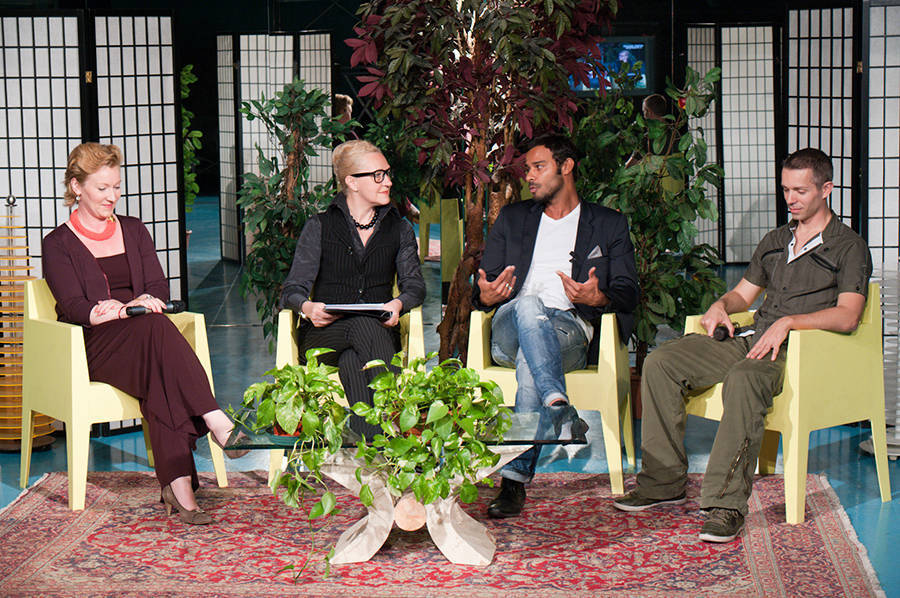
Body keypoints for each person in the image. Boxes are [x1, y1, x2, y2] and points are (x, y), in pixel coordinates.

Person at [613, 148, 872, 543]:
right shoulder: (775, 240)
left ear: (827, 189)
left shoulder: (848, 246)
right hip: (754, 336)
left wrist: (789, 323)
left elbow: (848, 315)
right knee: (662, 362)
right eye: (786, 190)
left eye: (800, 191)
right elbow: (743, 295)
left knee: (745, 378)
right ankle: (662, 481)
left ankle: (726, 505)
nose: (791, 199)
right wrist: (720, 305)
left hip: (802, 350)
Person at [42, 142, 247, 525]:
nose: (112, 196)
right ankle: (216, 419)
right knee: (155, 330)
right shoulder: (57, 244)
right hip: (95, 345)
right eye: (102, 188)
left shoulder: (134, 229)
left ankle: (179, 489)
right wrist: (114, 311)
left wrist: (142, 301)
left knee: (159, 374)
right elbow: (72, 306)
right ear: (76, 187)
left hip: (145, 339)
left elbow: (157, 287)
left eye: (116, 187)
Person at [474, 133, 640, 518]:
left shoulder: (608, 224)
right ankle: (555, 406)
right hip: (510, 326)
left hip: (569, 330)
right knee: (528, 304)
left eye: (538, 167)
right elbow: (484, 284)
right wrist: (486, 294)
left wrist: (597, 298)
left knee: (530, 361)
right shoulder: (513, 219)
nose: (529, 176)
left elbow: (628, 291)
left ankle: (517, 475)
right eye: (527, 169)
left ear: (566, 167)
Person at [281, 140, 425, 437]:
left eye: (387, 173)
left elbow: (414, 286)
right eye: (378, 175)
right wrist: (308, 308)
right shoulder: (319, 226)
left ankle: (369, 443)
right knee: (361, 326)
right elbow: (292, 289)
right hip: (324, 337)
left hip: (377, 336)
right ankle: (398, 418)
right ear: (352, 182)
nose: (388, 182)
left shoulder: (400, 229)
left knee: (352, 361)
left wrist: (398, 304)